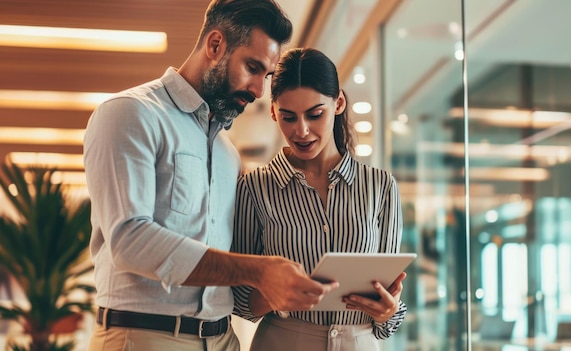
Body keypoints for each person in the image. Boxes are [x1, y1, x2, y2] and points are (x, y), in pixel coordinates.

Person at [82, 2, 337, 350]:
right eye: (252, 67)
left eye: (266, 76)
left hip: (223, 338)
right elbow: (129, 240)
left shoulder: (227, 153)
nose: (259, 91)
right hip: (147, 336)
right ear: (215, 45)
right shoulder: (131, 113)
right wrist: (257, 270)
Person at [232, 47, 408, 351]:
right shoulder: (255, 188)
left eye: (315, 114)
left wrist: (389, 312)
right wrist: (277, 293)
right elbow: (240, 303)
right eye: (288, 117)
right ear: (273, 112)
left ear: (338, 103)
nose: (301, 131)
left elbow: (388, 315)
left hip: (360, 342)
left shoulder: (380, 186)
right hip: (284, 340)